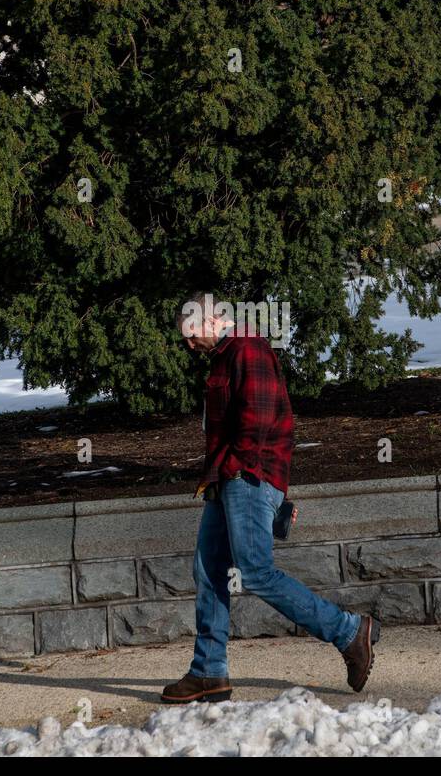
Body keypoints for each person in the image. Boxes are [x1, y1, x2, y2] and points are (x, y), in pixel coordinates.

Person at [160, 290, 380, 704]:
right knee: (208, 572)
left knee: (256, 571)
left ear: (211, 320)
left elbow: (255, 425)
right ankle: (208, 673)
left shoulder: (248, 348)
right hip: (228, 480)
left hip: (247, 476)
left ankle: (349, 631)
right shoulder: (226, 356)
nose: (188, 344)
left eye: (190, 334)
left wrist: (234, 471)